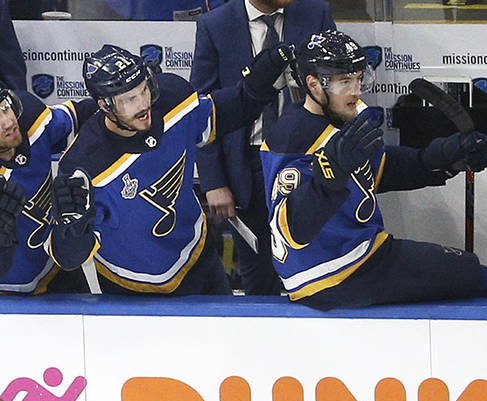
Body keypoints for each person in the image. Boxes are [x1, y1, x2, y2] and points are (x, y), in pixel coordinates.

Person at [260, 30, 487, 309]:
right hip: (334, 271)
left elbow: (385, 170)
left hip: (357, 256)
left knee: (472, 271)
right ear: (314, 85)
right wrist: (329, 179)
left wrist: (445, 157)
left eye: (360, 78)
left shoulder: (343, 117)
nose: (356, 90)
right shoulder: (292, 138)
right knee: (482, 279)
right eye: (345, 81)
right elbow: (291, 227)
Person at [46, 42, 295, 295]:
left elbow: (228, 111)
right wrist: (73, 227)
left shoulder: (173, 98)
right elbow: (69, 258)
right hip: (132, 283)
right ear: (104, 106)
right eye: (129, 99)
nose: (144, 104)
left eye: (144, 90)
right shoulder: (84, 165)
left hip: (198, 259)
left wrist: (260, 82)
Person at [192, 0, 335, 295]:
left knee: (318, 267)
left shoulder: (316, 13)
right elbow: (202, 110)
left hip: (307, 161)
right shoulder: (214, 25)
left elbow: (334, 85)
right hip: (248, 166)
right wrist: (214, 181)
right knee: (259, 278)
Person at [0, 88, 96, 293]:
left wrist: (127, 97)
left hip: (56, 268)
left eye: (5, 108)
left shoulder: (30, 118)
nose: (7, 122)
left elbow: (81, 115)